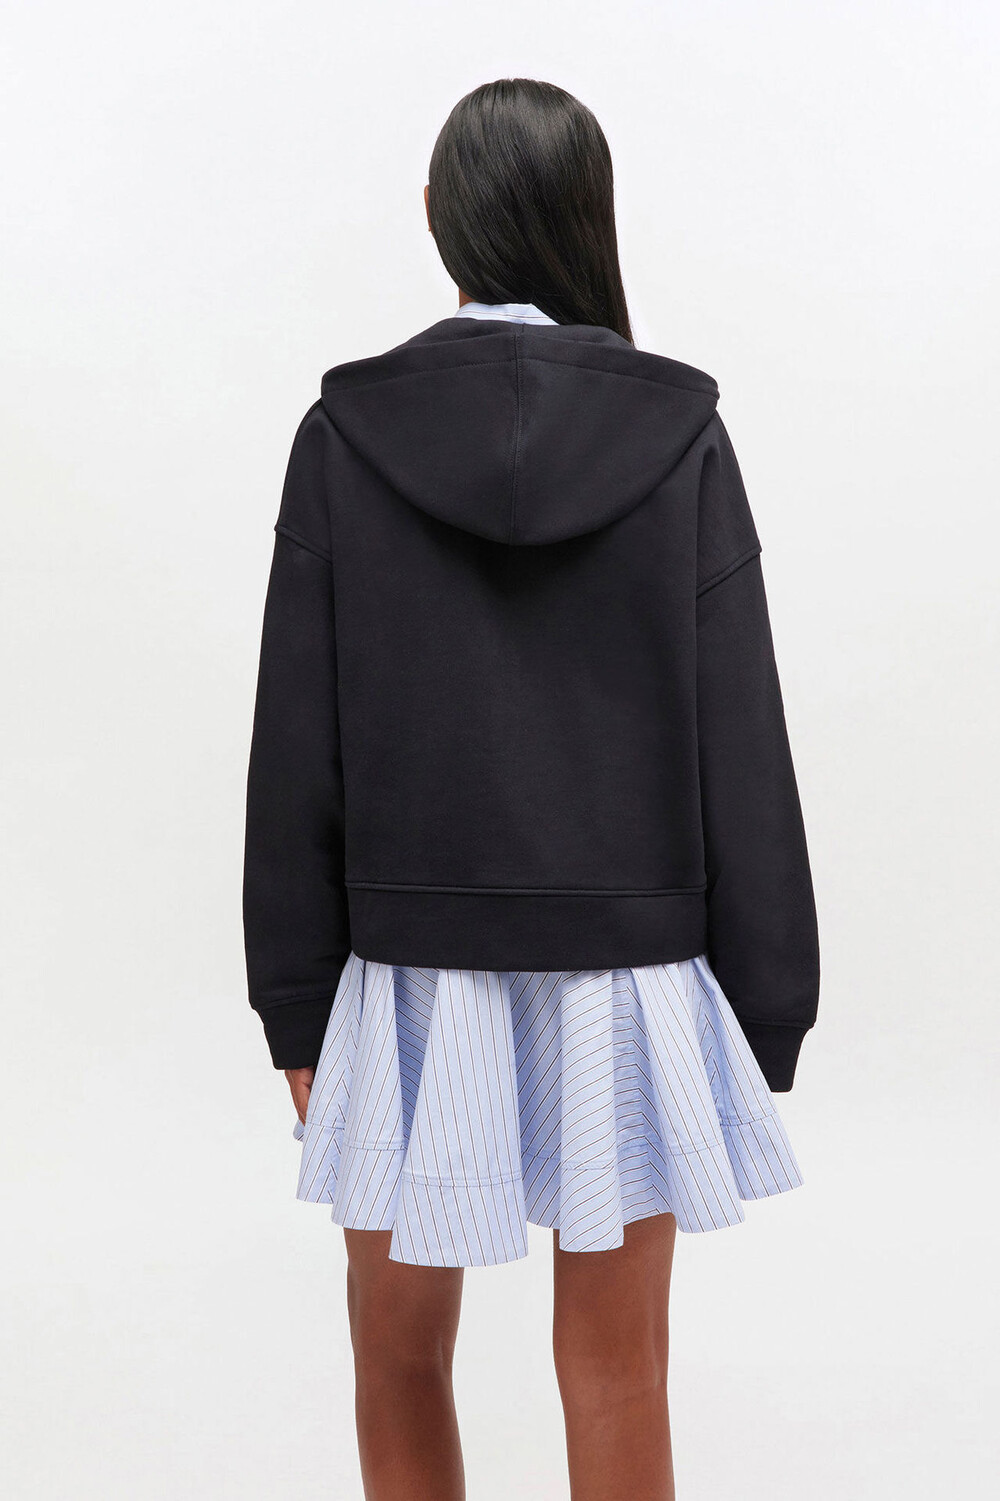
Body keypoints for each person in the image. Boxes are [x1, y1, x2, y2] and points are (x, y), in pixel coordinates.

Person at [242, 76, 820, 1501]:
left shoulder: (344, 436)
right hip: (631, 978)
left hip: (404, 974)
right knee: (617, 1374)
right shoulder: (680, 435)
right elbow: (742, 730)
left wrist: (296, 997)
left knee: (395, 1361)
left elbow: (295, 733)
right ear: (587, 219)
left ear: (439, 216)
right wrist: (768, 1000)